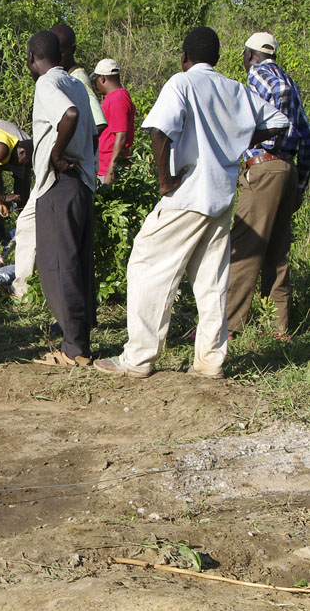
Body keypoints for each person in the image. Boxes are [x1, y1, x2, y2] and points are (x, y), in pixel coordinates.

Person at [96, 26, 289, 380]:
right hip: (220, 197)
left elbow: (158, 130)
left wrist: (165, 181)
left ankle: (138, 358)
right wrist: (237, 138)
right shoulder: (234, 88)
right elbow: (278, 122)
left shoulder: (182, 83)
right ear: (217, 58)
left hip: (187, 195)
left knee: (146, 264)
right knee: (211, 279)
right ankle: (210, 361)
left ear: (185, 56)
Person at [226, 31, 310, 340]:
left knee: (245, 247)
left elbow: (263, 112)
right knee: (278, 251)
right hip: (288, 170)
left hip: (265, 168)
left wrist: (264, 143)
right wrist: (300, 185)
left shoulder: (258, 76)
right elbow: (307, 136)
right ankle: (279, 327)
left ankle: (227, 325)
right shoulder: (290, 81)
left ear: (249, 55)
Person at [27, 30, 98, 366]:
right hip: (81, 183)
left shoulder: (47, 83)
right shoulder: (77, 84)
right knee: (78, 264)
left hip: (59, 184)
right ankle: (80, 341)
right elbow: (92, 132)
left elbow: (68, 115)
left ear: (32, 58)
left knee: (58, 266)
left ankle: (73, 350)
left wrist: (56, 154)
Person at [51, 22, 107, 139]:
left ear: (72, 50)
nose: (56, 58)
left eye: (61, 53)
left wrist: (79, 146)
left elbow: (99, 123)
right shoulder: (65, 77)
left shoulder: (78, 78)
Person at [92, 59, 136, 184]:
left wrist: (111, 172)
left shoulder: (118, 99)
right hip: (103, 165)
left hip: (110, 167)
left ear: (102, 79)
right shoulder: (114, 97)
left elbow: (121, 135)